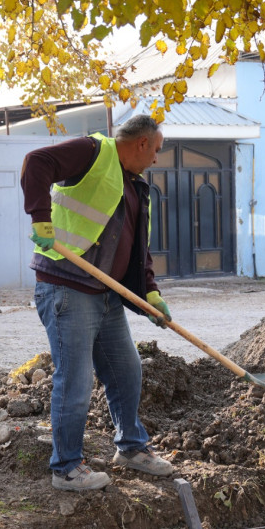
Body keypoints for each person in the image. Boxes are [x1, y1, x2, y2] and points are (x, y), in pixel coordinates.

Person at [21, 114, 174, 492]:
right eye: (156, 150)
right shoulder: (93, 151)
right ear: (141, 143)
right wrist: (41, 219)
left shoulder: (136, 187)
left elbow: (139, 250)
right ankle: (67, 469)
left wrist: (149, 292)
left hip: (106, 295)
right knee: (75, 381)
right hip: (68, 288)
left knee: (126, 371)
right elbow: (37, 162)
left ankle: (131, 448)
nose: (156, 159)